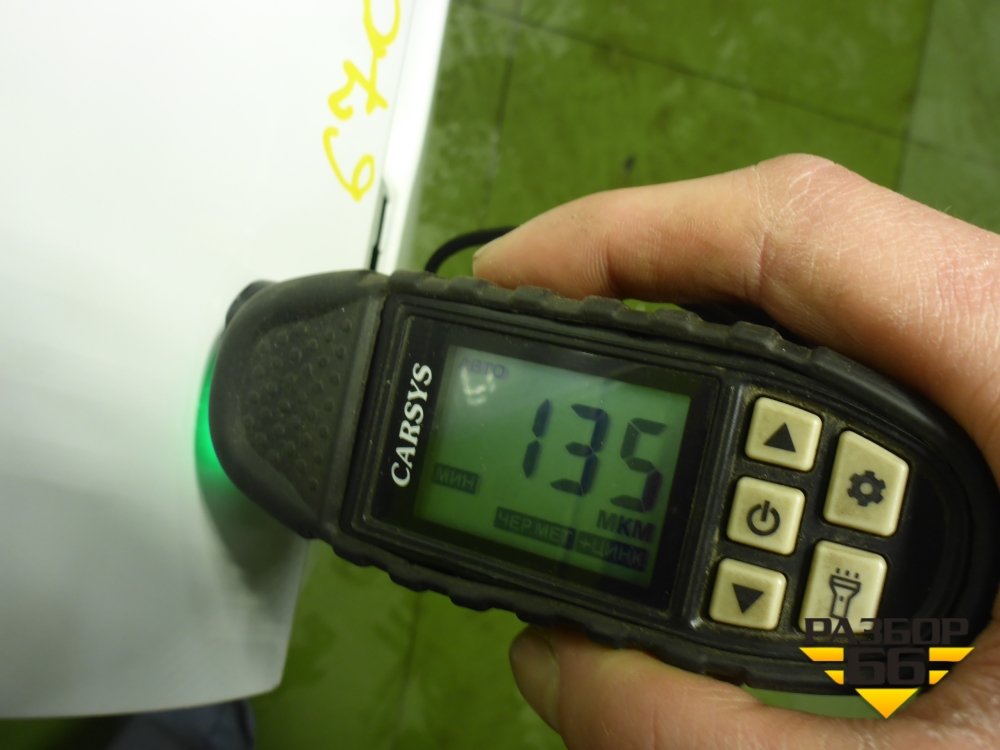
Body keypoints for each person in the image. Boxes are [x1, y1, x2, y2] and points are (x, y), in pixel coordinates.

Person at [471, 154, 1000, 749]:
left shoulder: (911, 657)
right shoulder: (909, 658)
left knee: (908, 667)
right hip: (915, 620)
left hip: (923, 602)